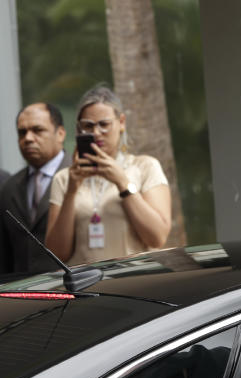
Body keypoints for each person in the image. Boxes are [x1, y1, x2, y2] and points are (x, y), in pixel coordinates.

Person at [46, 86, 171, 265]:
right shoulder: (64, 178)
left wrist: (122, 182)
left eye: (104, 124)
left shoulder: (145, 167)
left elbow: (157, 238)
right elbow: (57, 253)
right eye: (88, 126)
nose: (96, 133)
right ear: (79, 129)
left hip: (136, 281)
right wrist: (71, 191)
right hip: (84, 285)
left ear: (121, 122)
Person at [0, 103, 69, 275]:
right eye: (22, 132)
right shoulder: (8, 187)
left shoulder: (80, 178)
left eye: (37, 130)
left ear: (60, 133)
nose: (28, 138)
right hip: (22, 295)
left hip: (73, 292)